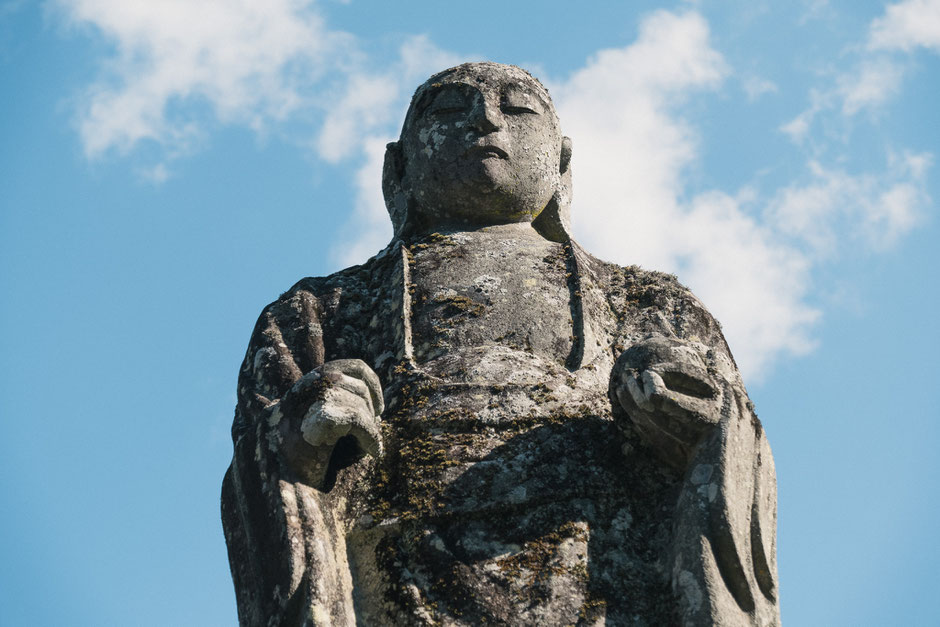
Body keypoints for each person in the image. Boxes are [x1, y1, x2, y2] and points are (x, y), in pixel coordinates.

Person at [222, 62, 779, 626]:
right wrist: (302, 428)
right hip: (399, 564)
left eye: (517, 109)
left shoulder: (648, 301)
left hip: (605, 565)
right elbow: (260, 465)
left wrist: (693, 414)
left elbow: (734, 442)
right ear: (398, 168)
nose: (486, 119)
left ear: (561, 164)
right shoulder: (322, 310)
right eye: (448, 110)